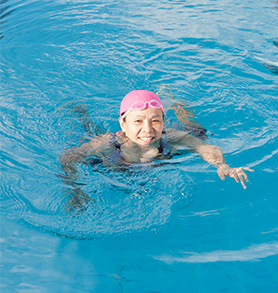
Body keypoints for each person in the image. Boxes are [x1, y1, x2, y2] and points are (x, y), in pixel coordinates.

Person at [60, 90, 253, 189]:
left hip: (166, 145)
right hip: (117, 152)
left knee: (195, 130)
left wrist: (222, 165)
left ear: (163, 121)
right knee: (90, 130)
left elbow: (207, 148)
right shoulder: (107, 146)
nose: (148, 129)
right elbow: (67, 158)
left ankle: (175, 100)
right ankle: (80, 112)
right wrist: (76, 191)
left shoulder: (173, 138)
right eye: (138, 121)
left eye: (155, 120)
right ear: (123, 123)